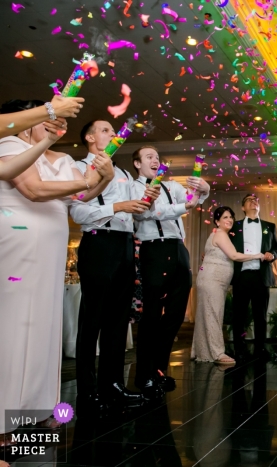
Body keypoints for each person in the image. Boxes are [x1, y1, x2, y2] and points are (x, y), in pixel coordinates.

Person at [0, 99, 111, 448]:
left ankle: (36, 409)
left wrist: (103, 180)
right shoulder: (11, 145)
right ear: (25, 121)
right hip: (18, 246)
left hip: (48, 255)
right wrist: (86, 179)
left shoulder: (60, 159)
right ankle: (3, 419)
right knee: (15, 327)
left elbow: (82, 196)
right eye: (44, 117)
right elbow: (33, 190)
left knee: (45, 328)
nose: (53, 123)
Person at [70, 121, 161, 411]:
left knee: (118, 321)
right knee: (92, 320)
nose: (113, 133)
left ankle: (113, 386)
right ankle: (87, 391)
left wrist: (144, 202)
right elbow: (78, 212)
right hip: (98, 243)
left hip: (124, 244)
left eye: (113, 130)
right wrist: (118, 207)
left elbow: (133, 211)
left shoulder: (122, 172)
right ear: (89, 137)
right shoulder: (78, 166)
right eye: (106, 130)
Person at [131, 145, 209, 398]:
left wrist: (203, 189)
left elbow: (190, 200)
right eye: (149, 156)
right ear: (137, 164)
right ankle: (144, 376)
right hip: (153, 251)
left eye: (157, 156)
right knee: (151, 315)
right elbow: (147, 213)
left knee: (175, 314)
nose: (155, 160)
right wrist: (183, 208)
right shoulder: (134, 188)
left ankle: (159, 371)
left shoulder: (171, 186)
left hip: (178, 249)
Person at [192, 206, 265, 364]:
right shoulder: (220, 234)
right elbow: (234, 255)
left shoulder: (219, 234)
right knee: (214, 315)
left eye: (231, 217)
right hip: (213, 281)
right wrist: (256, 255)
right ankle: (217, 353)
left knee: (207, 315)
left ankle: (201, 351)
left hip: (212, 280)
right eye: (225, 217)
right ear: (217, 221)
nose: (229, 220)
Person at [229, 193, 277, 359]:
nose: (254, 202)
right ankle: (239, 349)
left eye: (256, 200)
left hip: (261, 275)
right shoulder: (234, 227)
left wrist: (272, 255)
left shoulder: (270, 226)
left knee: (261, 316)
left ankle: (260, 349)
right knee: (239, 316)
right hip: (241, 276)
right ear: (243, 208)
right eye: (249, 201)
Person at [0, 96, 84, 180]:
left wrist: (50, 139)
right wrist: (52, 109)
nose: (50, 121)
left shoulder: (63, 156)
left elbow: (5, 171)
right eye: (41, 119)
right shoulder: (10, 143)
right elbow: (34, 189)